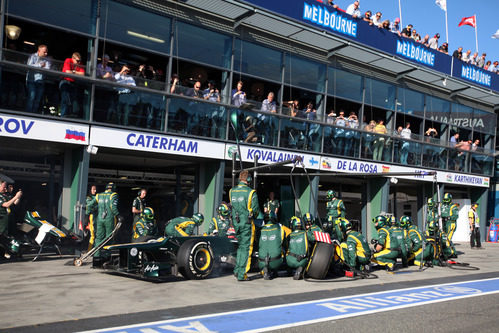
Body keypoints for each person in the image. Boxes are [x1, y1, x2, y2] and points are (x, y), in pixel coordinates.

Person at [230, 170, 261, 281]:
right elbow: (256, 210)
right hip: (247, 224)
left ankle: (237, 270)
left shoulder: (231, 191)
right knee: (246, 248)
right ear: (248, 180)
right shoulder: (251, 192)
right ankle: (242, 274)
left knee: (240, 247)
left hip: (236, 223)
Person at [86, 182, 120, 267]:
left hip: (100, 219)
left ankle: (96, 259)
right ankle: (106, 259)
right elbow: (113, 206)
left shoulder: (98, 195)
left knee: (98, 238)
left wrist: (88, 214)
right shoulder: (114, 195)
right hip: (109, 219)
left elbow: (89, 205)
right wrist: (118, 215)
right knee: (109, 238)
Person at [258, 212, 291, 280]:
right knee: (284, 249)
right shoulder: (280, 228)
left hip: (261, 261)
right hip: (276, 261)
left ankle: (267, 269)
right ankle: (283, 270)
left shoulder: (260, 229)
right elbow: (285, 244)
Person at [25, 44, 50, 113]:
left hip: (41, 82)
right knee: (31, 97)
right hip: (31, 80)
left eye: (46, 52)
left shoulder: (47, 59)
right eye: (44, 52)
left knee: (38, 100)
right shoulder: (32, 56)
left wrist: (37, 67)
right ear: (39, 51)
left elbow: (47, 69)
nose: (46, 53)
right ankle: (28, 114)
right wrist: (40, 65)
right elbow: (29, 66)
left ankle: (33, 114)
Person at [60, 52, 85, 117]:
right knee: (65, 99)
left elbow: (82, 74)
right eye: (77, 61)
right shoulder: (68, 60)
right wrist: (76, 73)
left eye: (80, 61)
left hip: (73, 83)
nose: (79, 62)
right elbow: (67, 72)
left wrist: (73, 72)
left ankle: (69, 115)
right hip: (65, 81)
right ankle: (63, 116)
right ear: (73, 59)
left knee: (72, 100)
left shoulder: (80, 64)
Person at [85, 185, 97, 251]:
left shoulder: (96, 197)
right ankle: (89, 250)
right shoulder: (88, 198)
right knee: (92, 235)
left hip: (97, 218)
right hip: (91, 218)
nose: (95, 191)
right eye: (93, 189)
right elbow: (89, 208)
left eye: (95, 189)